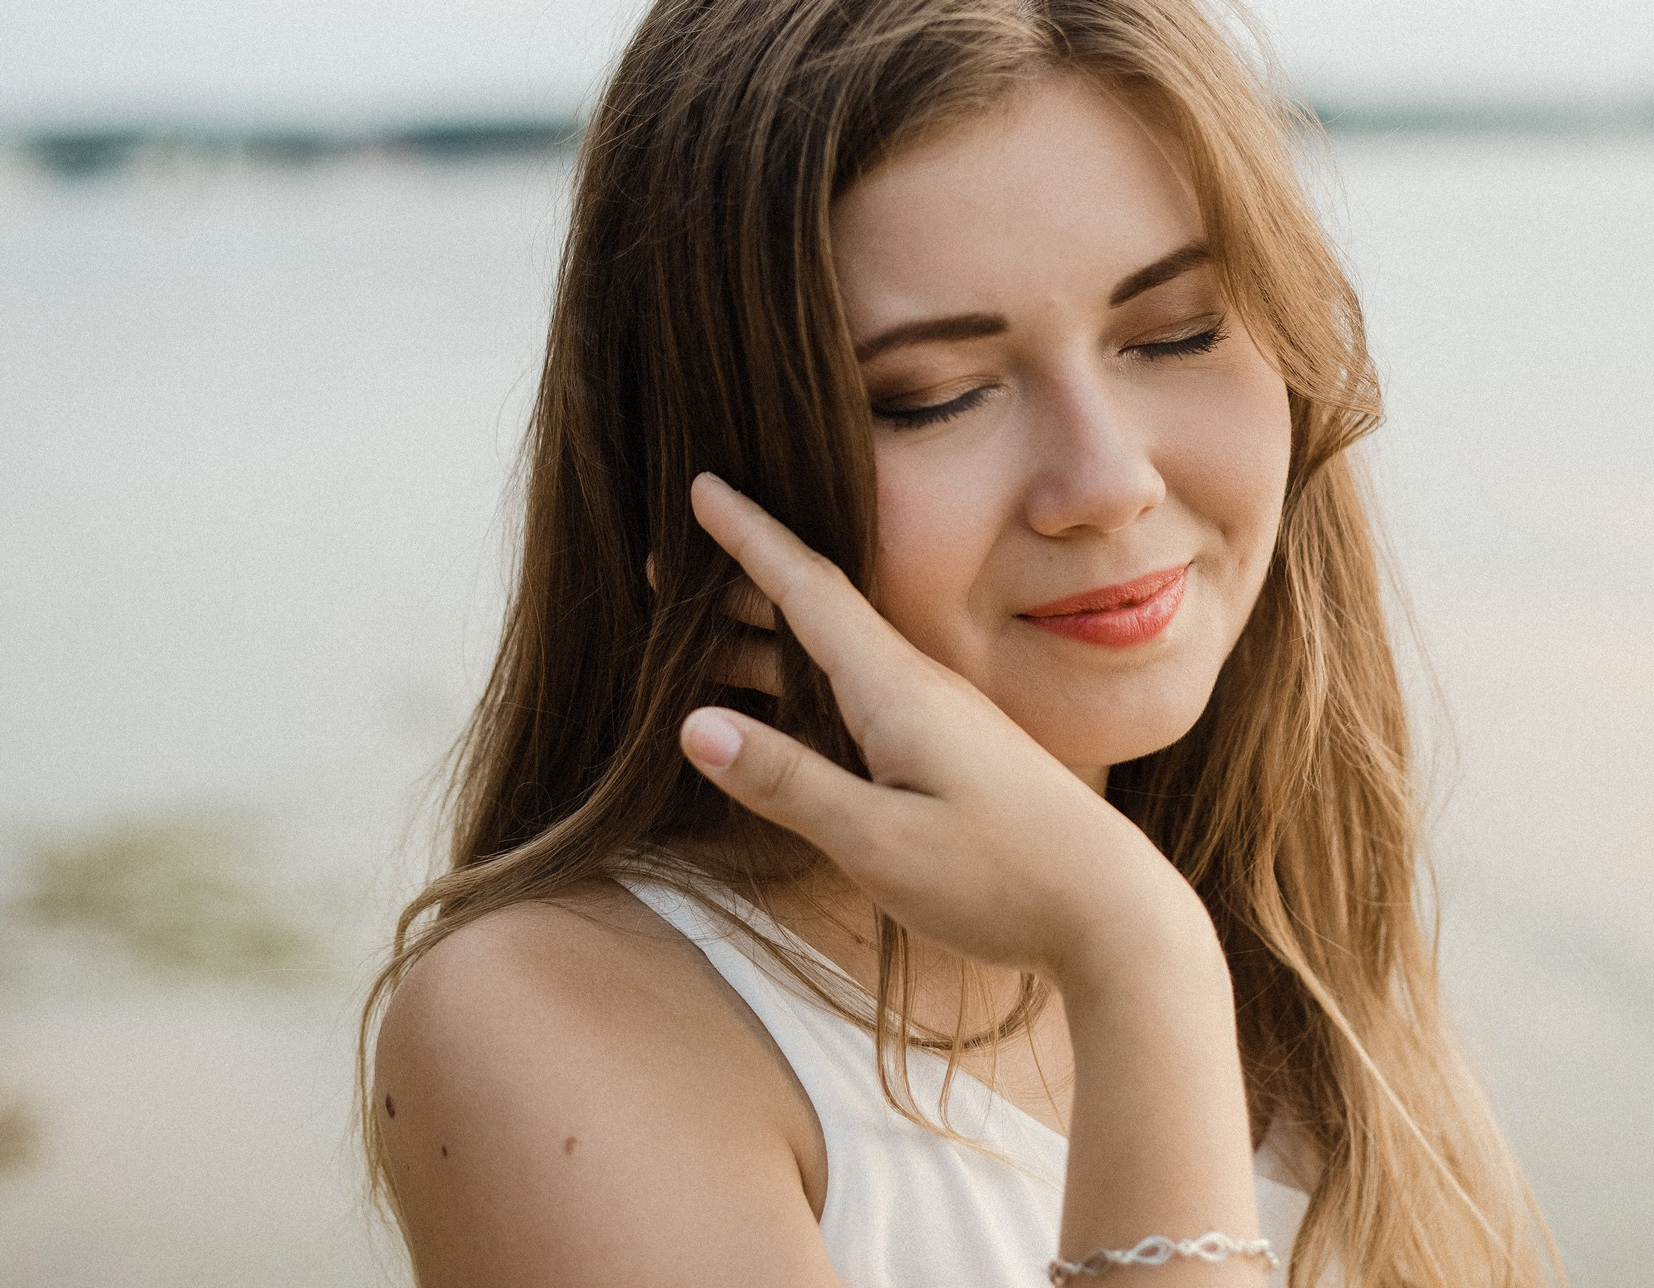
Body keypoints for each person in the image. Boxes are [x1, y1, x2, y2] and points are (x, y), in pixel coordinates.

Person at [361, 1, 1562, 1284]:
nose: (1106, 482)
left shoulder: (1300, 943)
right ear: (711, 476)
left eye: (1177, 332)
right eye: (930, 398)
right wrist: (1137, 968)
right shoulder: (552, 1025)